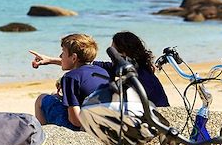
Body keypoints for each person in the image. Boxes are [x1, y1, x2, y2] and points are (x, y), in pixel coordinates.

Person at [31, 31, 169, 107]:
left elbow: (84, 64)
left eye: (112, 50)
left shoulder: (132, 74)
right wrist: (49, 60)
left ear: (124, 53)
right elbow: (88, 64)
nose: (111, 55)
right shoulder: (136, 66)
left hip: (150, 118)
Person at [33, 34, 110, 131]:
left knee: (41, 99)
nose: (60, 56)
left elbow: (75, 120)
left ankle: (44, 136)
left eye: (63, 52)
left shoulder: (71, 77)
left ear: (74, 57)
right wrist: (49, 60)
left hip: (85, 128)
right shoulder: (101, 70)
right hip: (104, 123)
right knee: (55, 95)